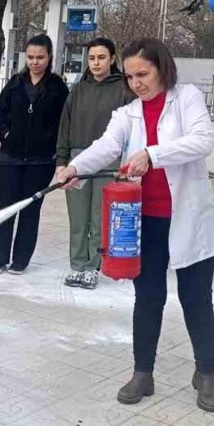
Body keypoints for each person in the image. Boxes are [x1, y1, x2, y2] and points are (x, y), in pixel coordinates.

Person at [55, 38, 214, 412]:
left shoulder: (187, 98)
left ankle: (206, 374)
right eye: (130, 76)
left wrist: (152, 154)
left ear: (162, 68)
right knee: (147, 299)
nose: (136, 83)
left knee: (196, 300)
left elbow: (202, 142)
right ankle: (143, 373)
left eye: (143, 74)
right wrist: (74, 168)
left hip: (189, 220)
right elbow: (104, 147)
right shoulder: (127, 113)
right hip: (145, 222)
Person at [55, 37, 134, 290]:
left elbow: (131, 131)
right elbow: (64, 126)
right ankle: (76, 265)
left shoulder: (124, 89)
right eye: (91, 58)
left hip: (110, 162)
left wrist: (125, 166)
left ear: (112, 59)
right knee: (78, 217)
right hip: (78, 159)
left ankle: (93, 267)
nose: (96, 62)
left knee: (100, 217)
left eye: (101, 57)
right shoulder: (78, 89)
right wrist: (62, 160)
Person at [0, 34, 69, 274]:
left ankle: (20, 260)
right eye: (31, 57)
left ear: (49, 57)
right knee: (6, 208)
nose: (35, 62)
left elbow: (64, 122)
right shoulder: (14, 83)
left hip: (41, 161)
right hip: (9, 160)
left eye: (40, 57)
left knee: (30, 210)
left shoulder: (57, 88)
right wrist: (5, 134)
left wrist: (53, 147)